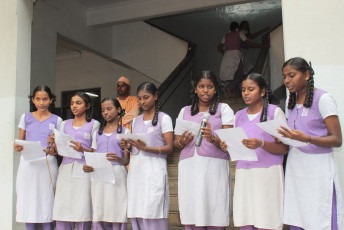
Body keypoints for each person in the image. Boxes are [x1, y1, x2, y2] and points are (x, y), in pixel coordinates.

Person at [278, 57, 344, 230]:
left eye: (291, 75)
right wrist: (283, 136)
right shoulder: (289, 101)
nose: (287, 81)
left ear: (306, 74)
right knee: (298, 214)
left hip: (318, 169)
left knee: (319, 216)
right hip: (296, 166)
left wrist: (308, 138)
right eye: (284, 77)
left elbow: (337, 139)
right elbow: (294, 134)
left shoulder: (323, 99)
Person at [220, 73, 288, 230]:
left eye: (251, 89)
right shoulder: (238, 115)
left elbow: (284, 148)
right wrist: (227, 146)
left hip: (268, 174)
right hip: (245, 173)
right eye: (243, 89)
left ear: (263, 91)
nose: (245, 93)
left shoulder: (274, 112)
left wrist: (261, 143)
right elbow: (236, 145)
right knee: (246, 217)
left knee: (267, 218)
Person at [174, 70, 234, 230]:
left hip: (213, 166)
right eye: (201, 86)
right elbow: (175, 142)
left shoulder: (224, 109)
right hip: (189, 165)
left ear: (216, 89)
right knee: (192, 205)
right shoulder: (184, 111)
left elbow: (229, 141)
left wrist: (212, 138)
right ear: (195, 89)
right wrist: (181, 141)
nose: (205, 90)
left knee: (214, 205)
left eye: (210, 86)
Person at [123, 82, 174, 230]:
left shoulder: (164, 119)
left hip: (154, 170)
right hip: (136, 170)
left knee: (153, 210)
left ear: (156, 96)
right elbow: (135, 147)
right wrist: (128, 146)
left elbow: (169, 147)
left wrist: (147, 148)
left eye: (146, 97)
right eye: (139, 98)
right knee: (137, 209)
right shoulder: (135, 120)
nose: (142, 101)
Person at [49, 92, 100, 230]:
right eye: (72, 103)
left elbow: (96, 152)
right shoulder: (64, 124)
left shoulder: (94, 124)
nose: (74, 106)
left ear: (87, 105)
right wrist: (52, 145)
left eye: (78, 103)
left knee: (82, 208)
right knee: (63, 207)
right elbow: (57, 151)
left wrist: (83, 149)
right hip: (65, 168)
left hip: (84, 170)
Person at [14, 85, 62, 230]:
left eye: (45, 99)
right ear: (33, 100)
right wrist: (17, 147)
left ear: (51, 100)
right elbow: (20, 142)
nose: (42, 103)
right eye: (38, 99)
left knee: (47, 199)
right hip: (28, 163)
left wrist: (52, 147)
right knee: (28, 198)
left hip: (47, 163)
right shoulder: (26, 117)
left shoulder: (57, 120)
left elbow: (58, 149)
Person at [83, 97, 130, 230]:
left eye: (109, 109)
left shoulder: (125, 132)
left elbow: (126, 160)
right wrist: (88, 166)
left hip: (117, 176)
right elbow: (93, 154)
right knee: (100, 208)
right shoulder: (98, 133)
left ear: (118, 110)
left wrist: (118, 159)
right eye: (103, 110)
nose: (106, 113)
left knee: (116, 209)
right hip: (100, 175)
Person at [217, 22, 268, 98]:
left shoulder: (226, 36)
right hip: (236, 55)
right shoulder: (239, 34)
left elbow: (219, 47)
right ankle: (229, 88)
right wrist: (262, 45)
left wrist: (225, 54)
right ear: (237, 28)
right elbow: (249, 43)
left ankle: (236, 94)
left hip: (227, 56)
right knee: (240, 74)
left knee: (233, 76)